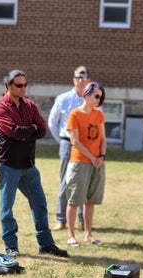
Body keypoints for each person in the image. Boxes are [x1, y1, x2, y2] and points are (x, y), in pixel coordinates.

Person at [0, 69, 68, 258]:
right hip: (9, 164)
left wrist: (30, 130)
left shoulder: (30, 105)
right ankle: (11, 245)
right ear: (9, 86)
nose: (23, 88)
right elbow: (14, 131)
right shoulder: (1, 107)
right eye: (19, 85)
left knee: (40, 203)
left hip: (28, 165)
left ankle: (46, 244)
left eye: (25, 85)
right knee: (7, 207)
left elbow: (42, 130)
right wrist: (30, 130)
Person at [48, 66, 91, 231]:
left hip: (86, 145)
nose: (81, 80)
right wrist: (63, 141)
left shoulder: (90, 100)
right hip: (67, 143)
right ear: (73, 80)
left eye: (84, 77)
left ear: (88, 80)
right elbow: (53, 123)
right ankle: (61, 219)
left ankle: (81, 219)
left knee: (83, 181)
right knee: (65, 181)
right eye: (78, 77)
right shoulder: (63, 98)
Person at [65, 82, 106, 247]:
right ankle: (71, 235)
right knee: (74, 200)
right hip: (79, 162)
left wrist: (101, 156)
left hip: (97, 163)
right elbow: (75, 141)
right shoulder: (75, 114)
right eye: (96, 96)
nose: (98, 99)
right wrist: (92, 157)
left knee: (90, 201)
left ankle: (88, 234)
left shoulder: (98, 115)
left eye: (100, 97)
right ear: (87, 95)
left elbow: (103, 138)